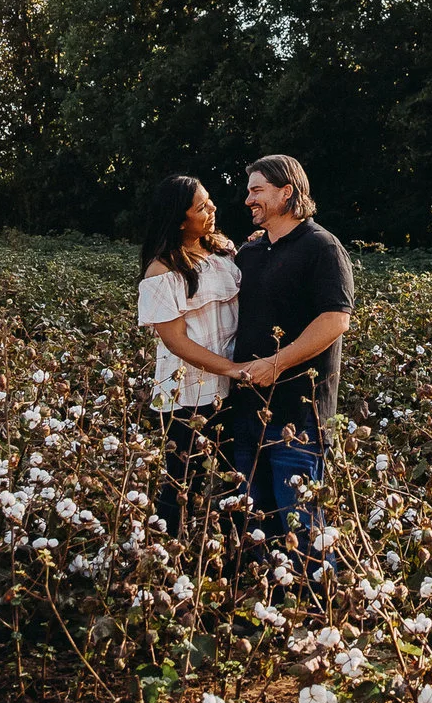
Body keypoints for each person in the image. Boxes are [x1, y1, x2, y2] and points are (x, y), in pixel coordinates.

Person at [223, 154, 353, 575]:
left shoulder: (322, 246)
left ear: (287, 193)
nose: (248, 199)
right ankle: (270, 612)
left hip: (299, 413)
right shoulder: (251, 251)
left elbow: (335, 319)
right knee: (256, 521)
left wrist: (277, 364)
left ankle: (316, 610)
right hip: (246, 410)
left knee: (300, 522)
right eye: (249, 191)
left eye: (257, 190)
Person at [134, 174, 242, 538]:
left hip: (231, 384)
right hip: (188, 394)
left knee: (232, 473)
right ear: (180, 219)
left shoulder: (222, 250)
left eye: (209, 201)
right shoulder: (161, 270)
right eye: (201, 207)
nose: (212, 208)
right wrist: (232, 368)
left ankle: (229, 551)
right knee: (181, 483)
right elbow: (176, 342)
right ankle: (165, 554)